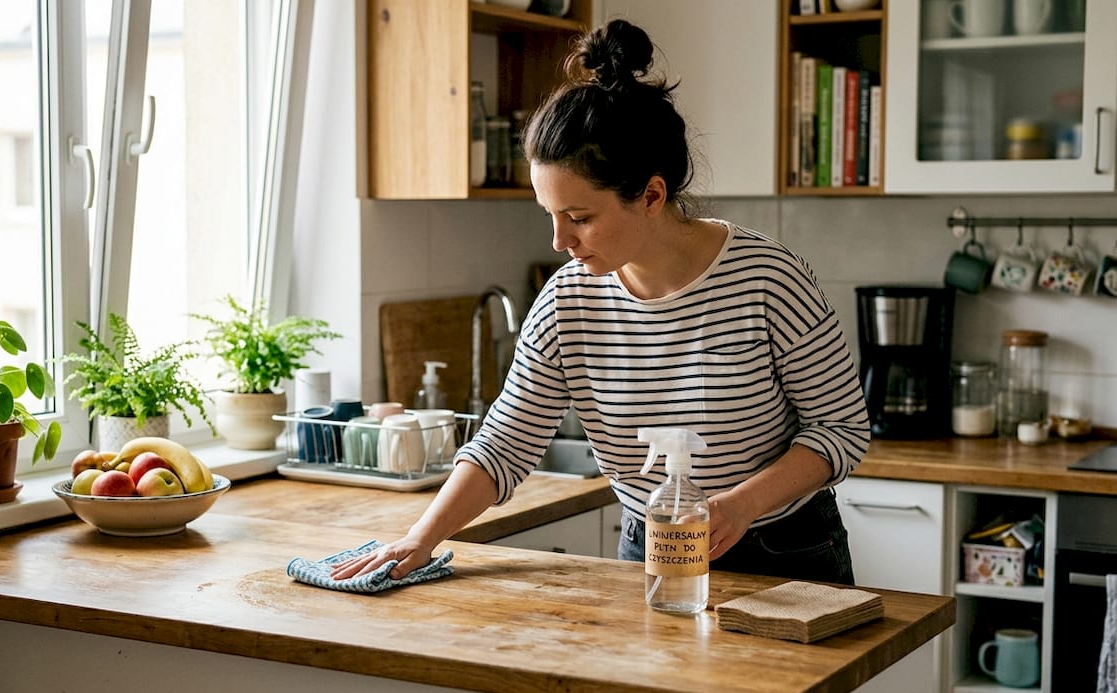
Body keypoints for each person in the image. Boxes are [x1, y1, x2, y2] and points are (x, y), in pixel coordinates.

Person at [333, 19, 869, 586]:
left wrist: (737, 506)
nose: (560, 243)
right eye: (551, 216)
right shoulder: (568, 301)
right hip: (653, 547)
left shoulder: (768, 280)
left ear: (651, 196)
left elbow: (841, 430)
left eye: (580, 218)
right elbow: (505, 442)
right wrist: (422, 537)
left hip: (784, 552)